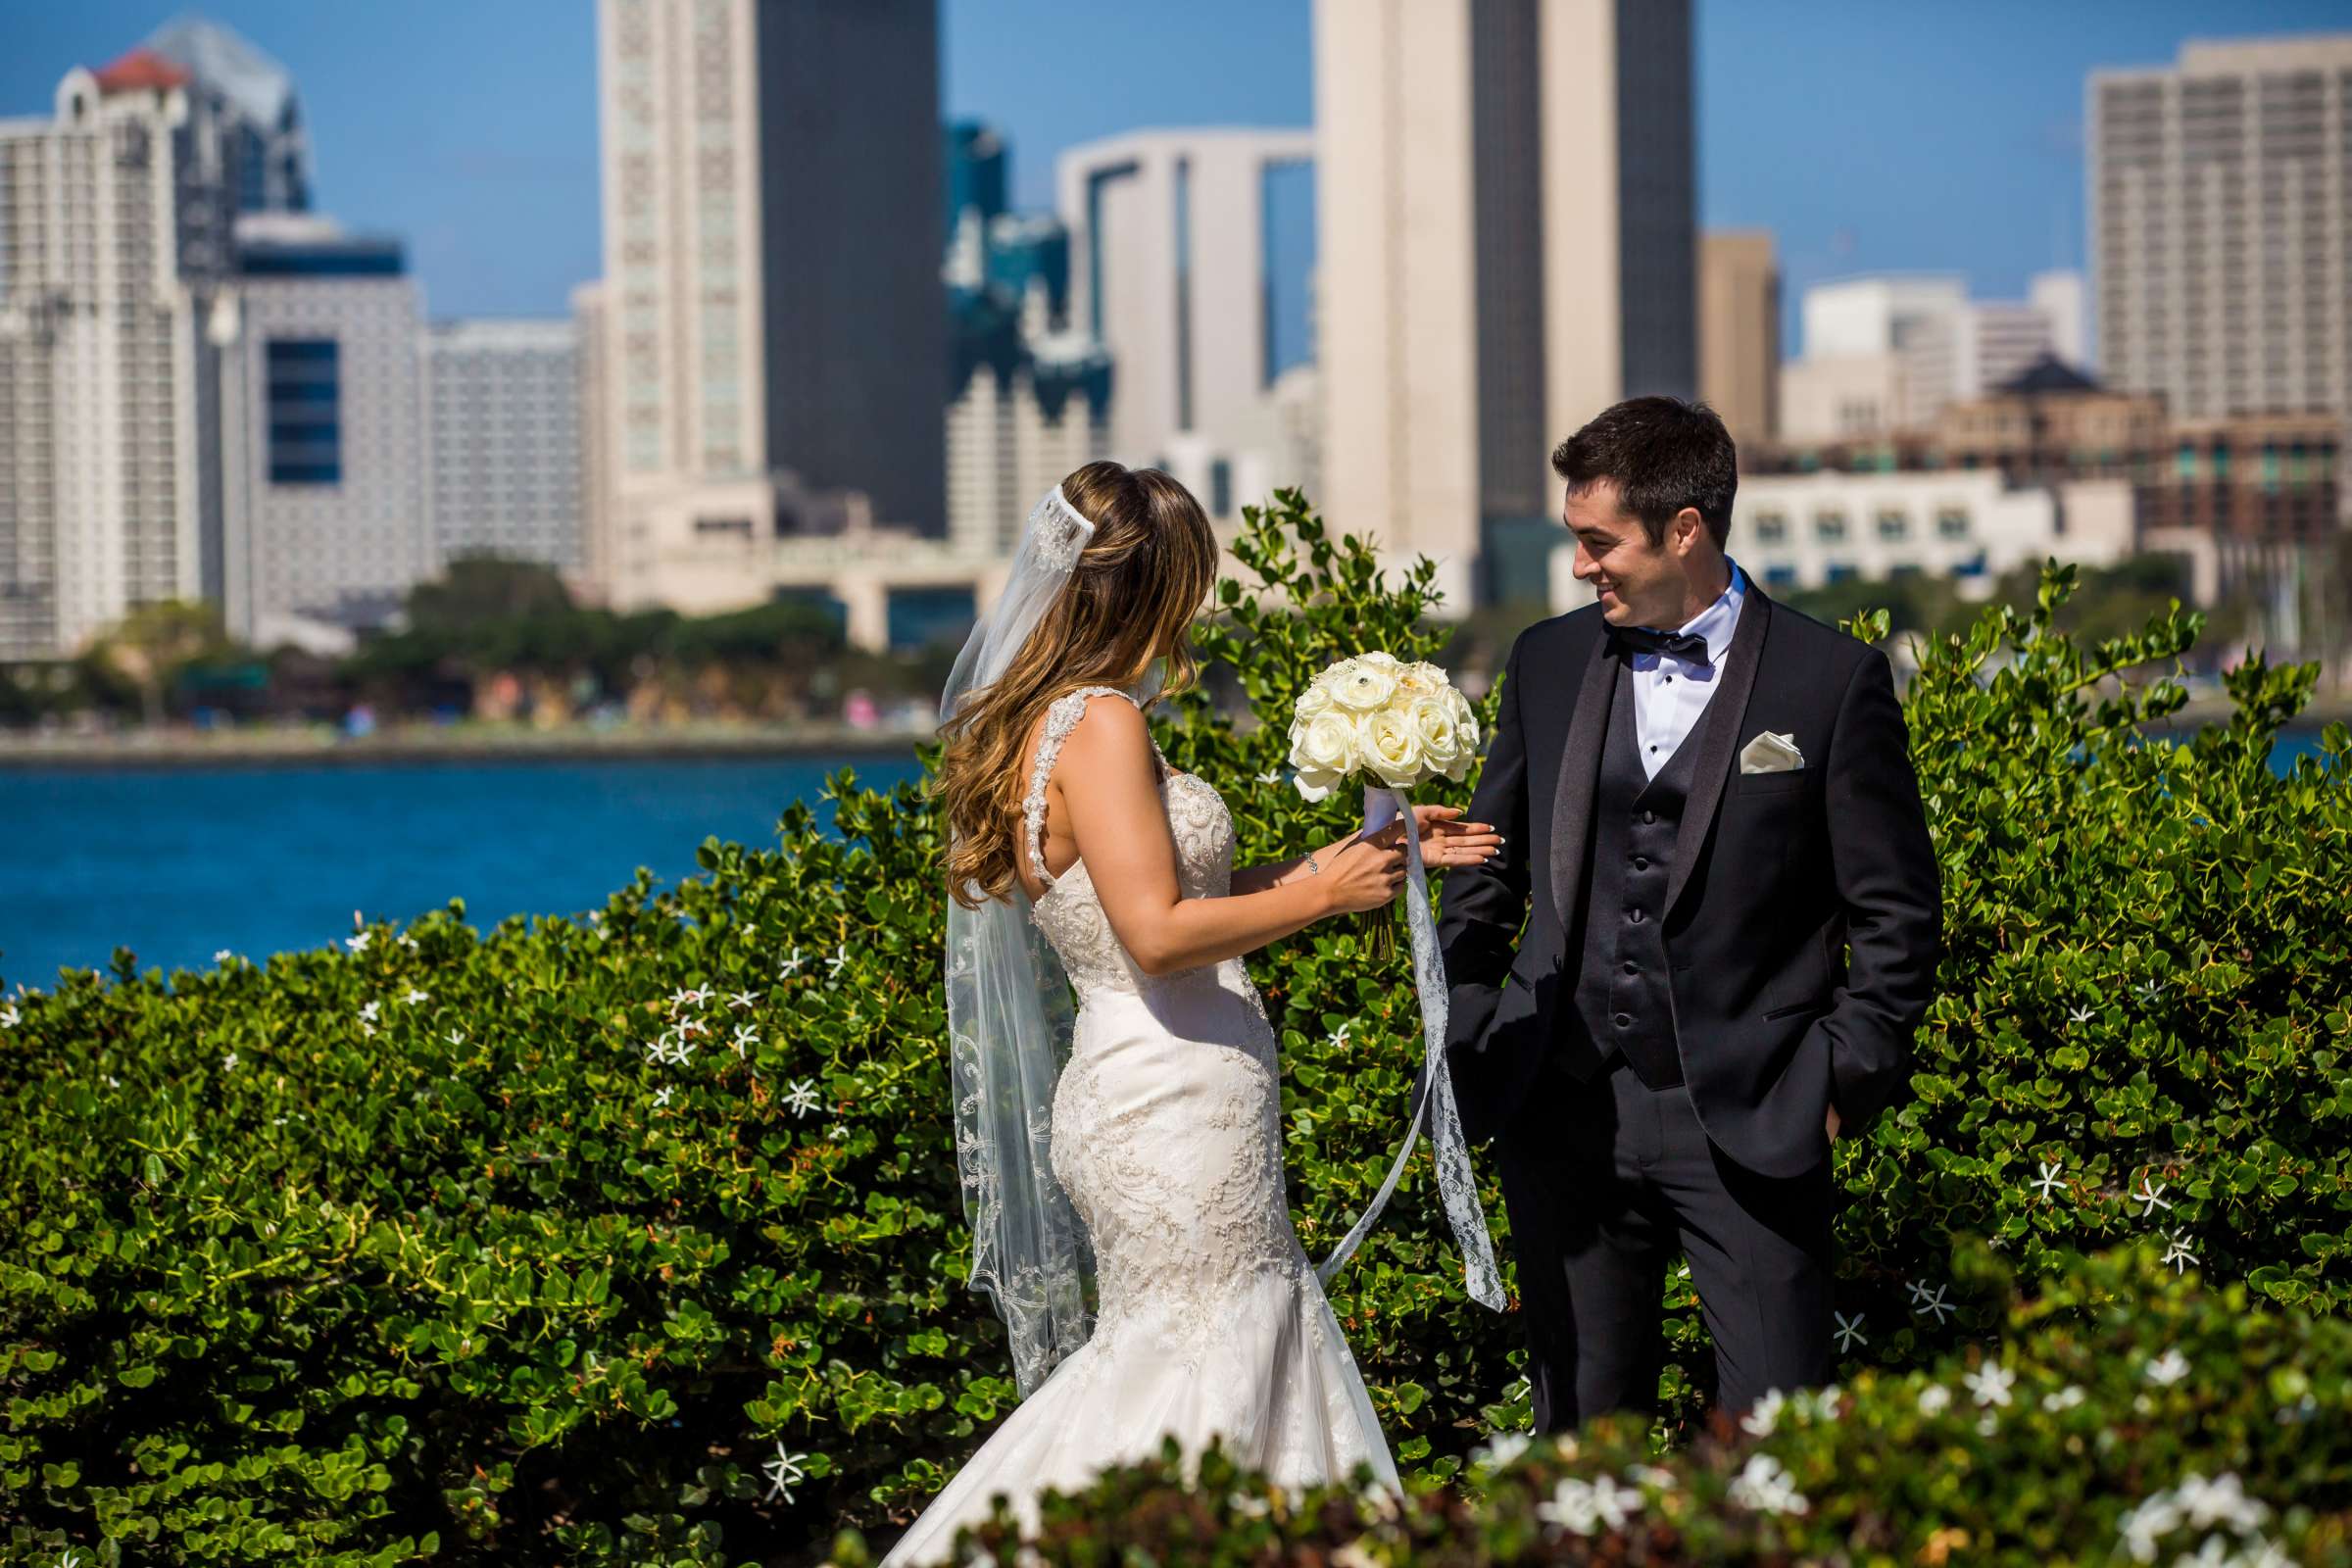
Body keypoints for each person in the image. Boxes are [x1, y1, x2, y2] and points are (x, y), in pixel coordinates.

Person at [891, 461, 1499, 1564]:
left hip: (1138, 1083)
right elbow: (1159, 932)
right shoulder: (1105, 723)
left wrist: (1364, 853)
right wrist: (1323, 897)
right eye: (1193, 585)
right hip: (1171, 1104)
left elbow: (1170, 892)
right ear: (1147, 590)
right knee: (1201, 1362)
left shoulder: (1045, 722)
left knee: (1186, 1354)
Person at [1436, 397, 1940, 1433]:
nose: (1582, 566)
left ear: (1684, 530)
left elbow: (1895, 910)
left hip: (1753, 1117)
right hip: (1561, 1109)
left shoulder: (1830, 679)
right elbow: (1485, 862)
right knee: (1581, 1442)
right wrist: (1473, 1017)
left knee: (1777, 1444)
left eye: (1597, 541)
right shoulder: (1545, 659)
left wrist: (1843, 1075)